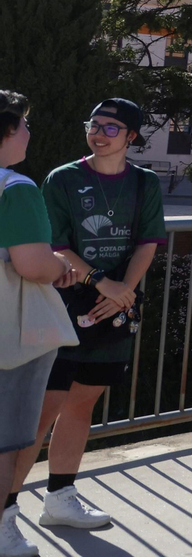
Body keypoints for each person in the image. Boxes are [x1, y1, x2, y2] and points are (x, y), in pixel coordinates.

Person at [14, 100, 164, 533]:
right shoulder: (63, 179)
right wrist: (104, 283)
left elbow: (147, 242)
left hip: (114, 312)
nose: (98, 133)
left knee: (82, 405)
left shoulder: (145, 183)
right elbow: (55, 245)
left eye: (111, 128)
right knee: (40, 411)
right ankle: (6, 510)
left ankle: (59, 498)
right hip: (62, 307)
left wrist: (125, 292)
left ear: (131, 137)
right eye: (93, 125)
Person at [0, 92, 73, 557]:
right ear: (7, 131)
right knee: (6, 441)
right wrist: (58, 265)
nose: (29, 133)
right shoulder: (16, 188)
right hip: (11, 334)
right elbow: (31, 264)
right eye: (24, 124)